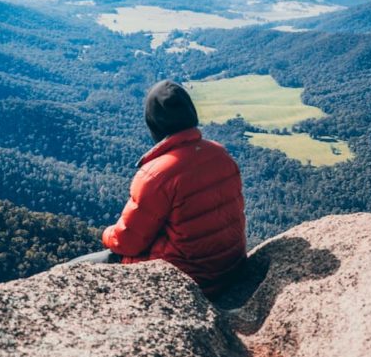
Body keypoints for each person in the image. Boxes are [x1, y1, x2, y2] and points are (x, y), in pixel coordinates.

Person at [67, 79, 247, 299]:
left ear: (154, 124)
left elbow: (128, 243)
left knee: (72, 272)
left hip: (192, 279)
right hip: (232, 269)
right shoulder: (220, 154)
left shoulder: (156, 174)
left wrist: (106, 234)